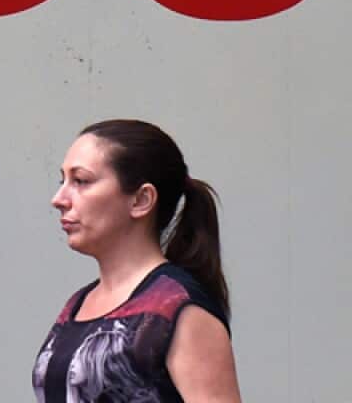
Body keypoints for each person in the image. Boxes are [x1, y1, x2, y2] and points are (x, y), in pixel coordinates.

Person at [31, 119, 241, 402]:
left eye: (81, 181)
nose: (59, 198)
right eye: (63, 180)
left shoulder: (179, 308)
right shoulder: (77, 305)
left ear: (142, 200)